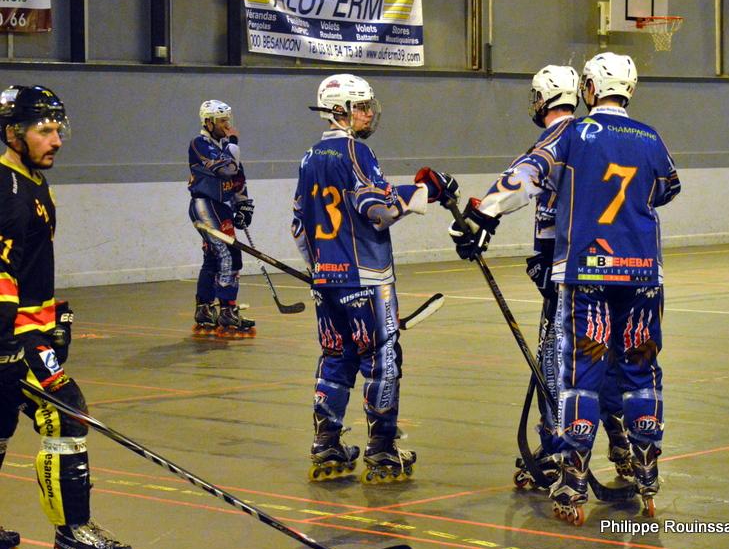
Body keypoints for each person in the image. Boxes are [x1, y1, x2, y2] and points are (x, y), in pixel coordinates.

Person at [450, 53, 680, 522]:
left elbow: (528, 175)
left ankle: (572, 483)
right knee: (641, 371)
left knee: (582, 378)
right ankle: (647, 477)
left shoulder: (573, 134)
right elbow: (667, 189)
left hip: (587, 273)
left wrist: (482, 215)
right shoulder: (651, 137)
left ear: (590, 90)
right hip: (642, 275)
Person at [293, 74, 457, 484]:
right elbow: (377, 210)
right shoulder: (356, 151)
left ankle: (327, 443)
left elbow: (298, 225)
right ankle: (382, 449)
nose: (369, 113)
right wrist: (420, 192)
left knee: (335, 358)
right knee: (382, 361)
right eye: (362, 106)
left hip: (327, 280)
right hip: (367, 278)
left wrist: (318, 270)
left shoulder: (309, 158)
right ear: (340, 111)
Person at [0, 85, 131, 549]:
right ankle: (73, 533)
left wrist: (54, 314)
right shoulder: (8, 188)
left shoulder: (33, 180)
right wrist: (5, 344)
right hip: (13, 334)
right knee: (66, 414)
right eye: (44, 130)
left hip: (27, 327)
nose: (56, 140)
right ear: (12, 134)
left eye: (58, 129)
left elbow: (29, 265)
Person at [510, 66, 636, 492]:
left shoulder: (557, 140)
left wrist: (544, 259)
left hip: (570, 269)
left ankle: (555, 448)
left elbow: (548, 209)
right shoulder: (593, 135)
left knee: (559, 360)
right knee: (606, 355)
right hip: (615, 264)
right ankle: (621, 439)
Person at [188, 99, 256, 337]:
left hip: (222, 206)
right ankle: (227, 309)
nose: (227, 126)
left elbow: (238, 178)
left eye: (228, 120)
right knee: (228, 253)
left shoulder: (226, 147)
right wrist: (233, 145)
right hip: (205, 205)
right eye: (221, 121)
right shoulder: (199, 144)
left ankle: (204, 308)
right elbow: (226, 170)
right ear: (208, 122)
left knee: (213, 256)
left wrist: (244, 205)